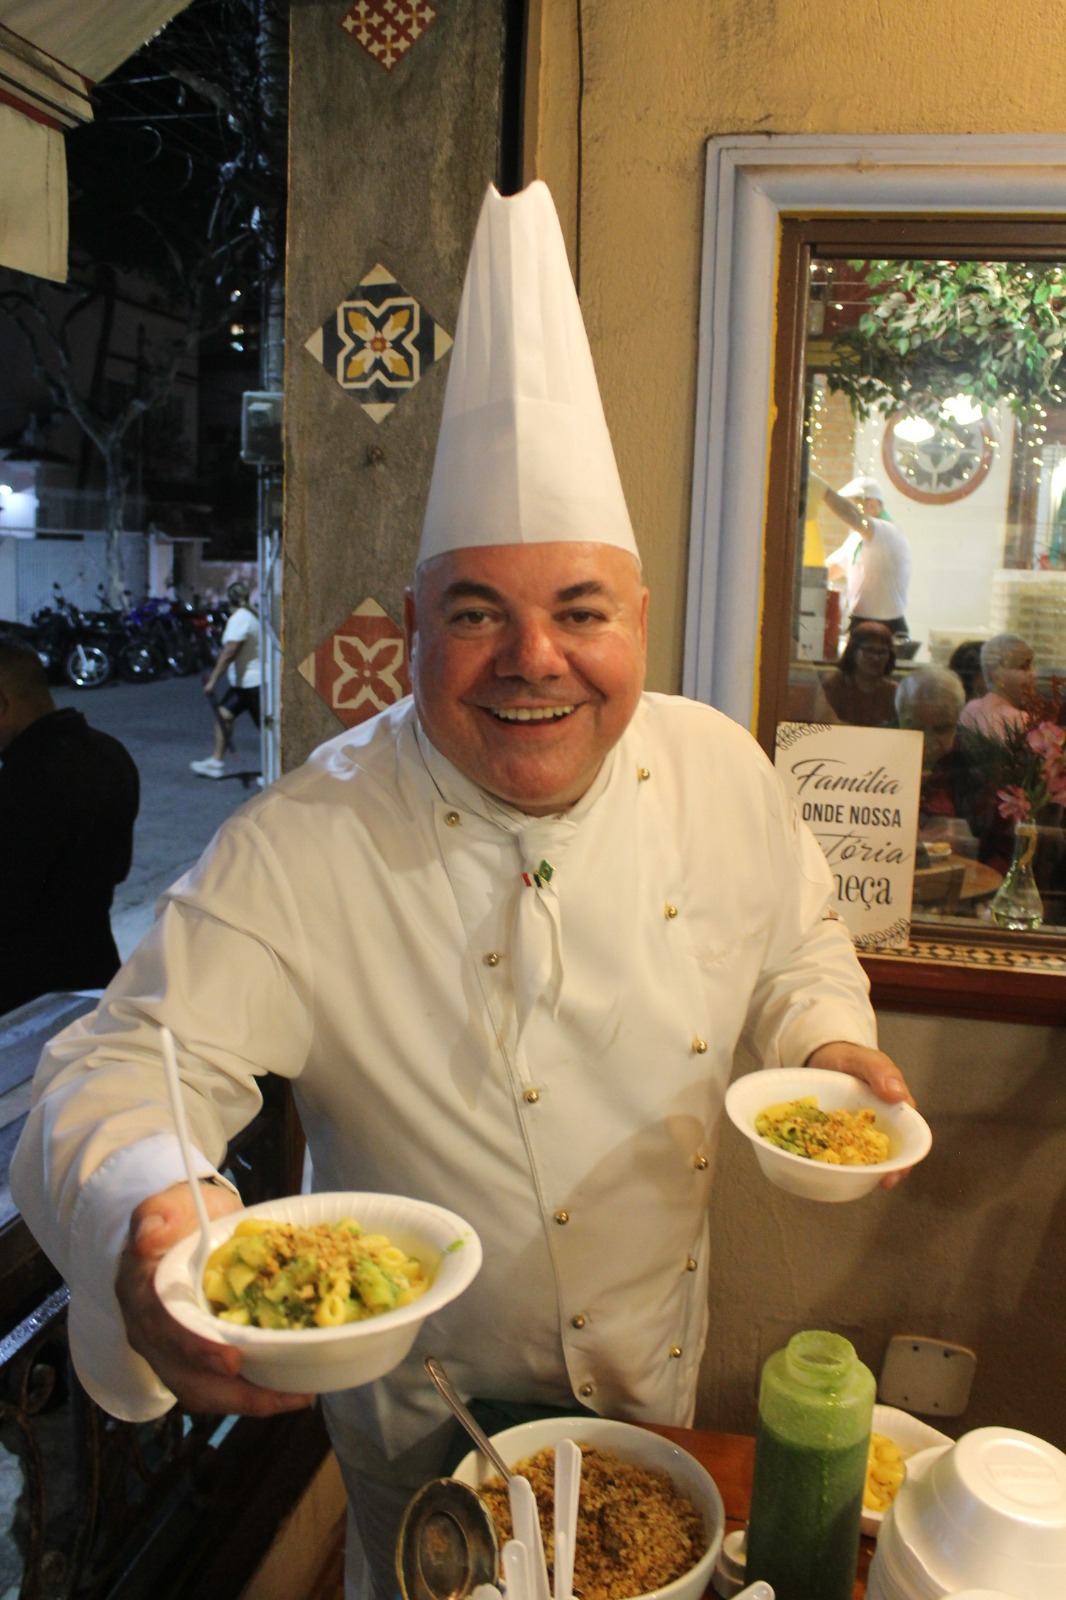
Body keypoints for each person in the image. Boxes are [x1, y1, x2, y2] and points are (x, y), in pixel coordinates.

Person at [10, 183, 913, 1600]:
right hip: (423, 1440)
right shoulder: (309, 838)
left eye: (578, 610)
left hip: (653, 1387)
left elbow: (794, 940)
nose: (529, 658)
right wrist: (148, 1209)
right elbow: (123, 1065)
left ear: (638, 624)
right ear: (415, 627)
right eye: (478, 611)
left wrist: (821, 1043)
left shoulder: (723, 772)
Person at [0, 633, 140, 1015]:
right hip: (95, 971)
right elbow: (119, 868)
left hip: (23, 996)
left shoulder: (22, 781)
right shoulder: (109, 752)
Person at [895, 664, 979, 854]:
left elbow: (997, 846)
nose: (929, 739)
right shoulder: (877, 751)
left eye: (941, 729)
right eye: (917, 727)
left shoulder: (974, 762)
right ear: (900, 719)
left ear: (957, 722)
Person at [815, 473, 912, 635]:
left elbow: (853, 517)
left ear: (872, 505)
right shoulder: (856, 539)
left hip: (887, 628)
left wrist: (824, 492)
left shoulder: (888, 532)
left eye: (853, 504)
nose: (849, 511)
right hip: (859, 624)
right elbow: (828, 571)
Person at [190, 580, 261, 778]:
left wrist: (212, 680)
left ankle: (280, 770)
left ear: (230, 600)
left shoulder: (240, 618)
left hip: (254, 684)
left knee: (268, 729)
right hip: (243, 685)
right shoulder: (252, 615)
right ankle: (216, 762)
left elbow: (229, 652)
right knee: (224, 716)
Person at [818, 620, 898, 727]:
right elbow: (825, 725)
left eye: (882, 651)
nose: (876, 658)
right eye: (869, 650)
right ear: (853, 651)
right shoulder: (834, 684)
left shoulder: (893, 692)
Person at [957, 633, 1035, 739]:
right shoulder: (1018, 719)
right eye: (1023, 668)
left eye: (1031, 666)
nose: (1032, 674)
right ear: (996, 676)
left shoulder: (970, 708)